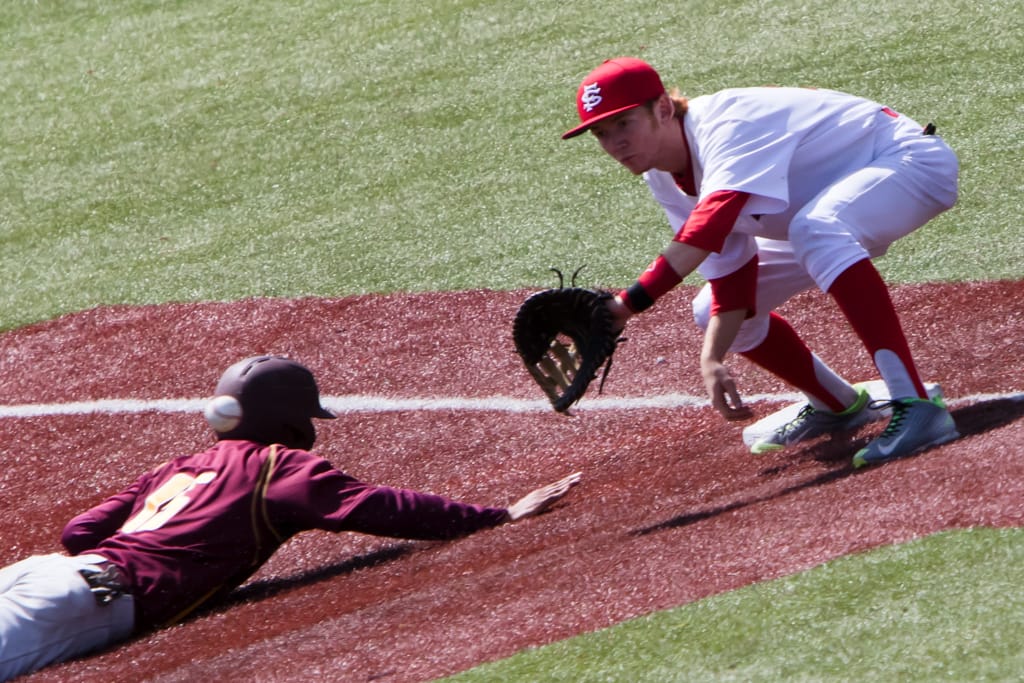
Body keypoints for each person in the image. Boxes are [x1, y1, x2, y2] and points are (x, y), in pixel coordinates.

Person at [0, 355, 581, 680]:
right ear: (288, 421)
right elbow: (375, 506)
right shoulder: (280, 467)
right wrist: (494, 515)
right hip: (85, 601)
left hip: (40, 575)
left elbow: (77, 534)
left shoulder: (182, 465)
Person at [560, 56, 959, 467]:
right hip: (824, 209)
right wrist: (712, 357)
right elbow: (731, 274)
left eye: (624, 123)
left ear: (662, 109)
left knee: (816, 230)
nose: (614, 143)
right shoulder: (662, 175)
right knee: (707, 308)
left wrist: (627, 304)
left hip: (908, 165)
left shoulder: (727, 125)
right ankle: (838, 404)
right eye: (601, 133)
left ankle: (917, 406)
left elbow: (705, 230)